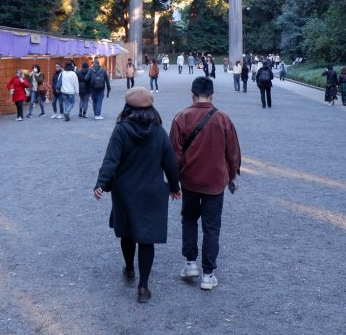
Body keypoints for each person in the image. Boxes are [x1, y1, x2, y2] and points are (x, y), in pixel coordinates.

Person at [94, 87, 181, 304]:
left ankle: (130, 269)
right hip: (151, 191)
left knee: (127, 233)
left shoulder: (121, 130)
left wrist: (101, 184)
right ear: (151, 108)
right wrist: (174, 186)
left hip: (125, 190)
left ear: (127, 107)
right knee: (146, 238)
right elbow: (170, 162)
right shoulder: (159, 131)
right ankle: (143, 287)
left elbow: (110, 159)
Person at [169, 77, 241, 292]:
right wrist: (233, 177)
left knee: (189, 219)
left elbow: (172, 153)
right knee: (211, 227)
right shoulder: (223, 118)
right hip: (215, 181)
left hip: (190, 179)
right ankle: (208, 275)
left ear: (192, 94)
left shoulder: (181, 117)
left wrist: (174, 180)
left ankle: (191, 264)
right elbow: (233, 152)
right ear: (212, 96)